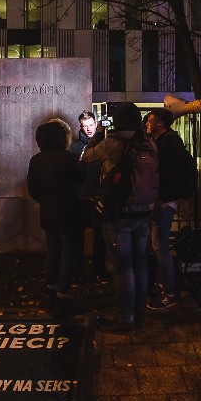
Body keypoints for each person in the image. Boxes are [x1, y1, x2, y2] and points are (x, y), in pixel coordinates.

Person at [81, 102, 157, 335]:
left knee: (124, 269)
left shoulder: (112, 143)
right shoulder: (149, 143)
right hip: (145, 212)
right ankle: (140, 315)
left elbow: (86, 158)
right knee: (140, 264)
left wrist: (99, 138)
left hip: (120, 215)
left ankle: (125, 320)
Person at [27, 119, 84, 319]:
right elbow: (80, 180)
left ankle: (51, 293)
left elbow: (32, 189)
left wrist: (45, 200)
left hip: (48, 211)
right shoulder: (69, 158)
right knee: (70, 254)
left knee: (53, 252)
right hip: (69, 210)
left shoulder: (36, 160)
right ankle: (62, 295)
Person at [144, 108, 192, 310]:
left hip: (164, 202)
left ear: (160, 123)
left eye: (150, 120)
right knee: (157, 246)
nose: (146, 123)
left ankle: (170, 292)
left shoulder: (170, 143)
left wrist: (165, 198)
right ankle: (161, 283)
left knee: (160, 246)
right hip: (161, 200)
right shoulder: (163, 141)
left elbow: (172, 173)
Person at [69, 111, 109, 285]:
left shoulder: (102, 145)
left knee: (100, 237)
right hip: (80, 198)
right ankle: (78, 273)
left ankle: (99, 271)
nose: (88, 129)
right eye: (85, 126)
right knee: (77, 237)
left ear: (96, 124)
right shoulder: (75, 147)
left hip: (98, 196)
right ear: (80, 127)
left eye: (91, 125)